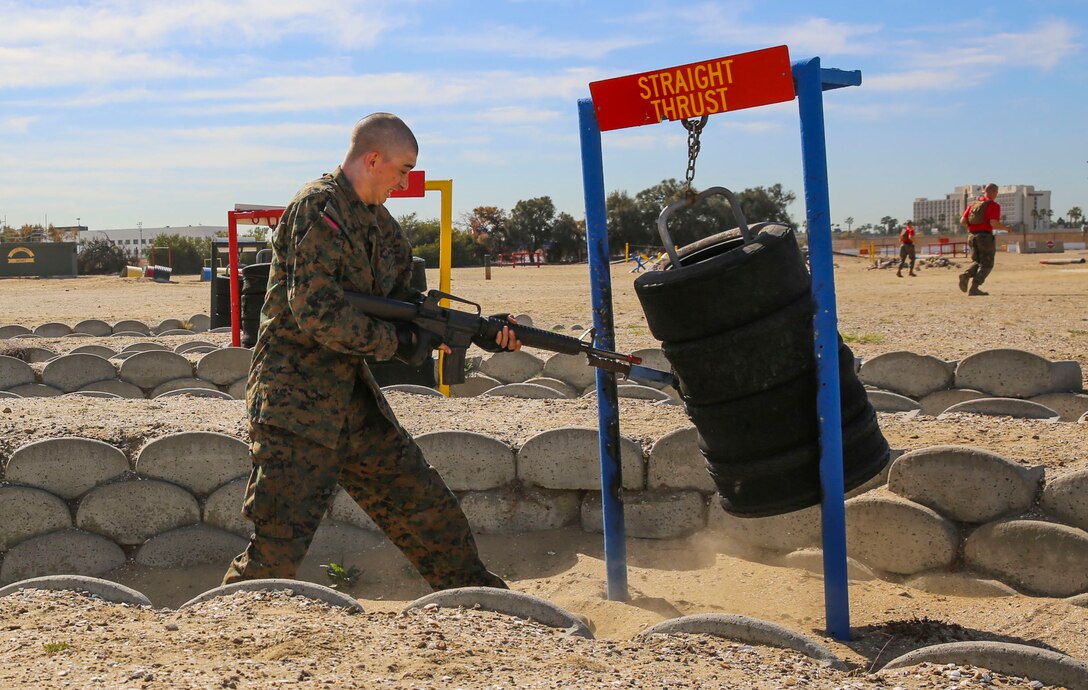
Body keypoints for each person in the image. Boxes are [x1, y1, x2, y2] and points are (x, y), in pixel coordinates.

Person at [223, 113, 519, 590]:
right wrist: (397, 343)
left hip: (352, 403)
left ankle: (482, 607)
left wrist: (477, 330)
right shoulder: (317, 209)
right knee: (275, 553)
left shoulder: (381, 226)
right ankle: (210, 639)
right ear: (373, 157)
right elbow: (315, 311)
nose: (403, 182)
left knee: (429, 515)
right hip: (294, 404)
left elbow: (407, 302)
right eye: (401, 170)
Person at [958, 183, 1012, 296]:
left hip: (972, 236)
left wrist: (972, 228)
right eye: (996, 192)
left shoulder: (973, 205)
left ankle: (966, 275)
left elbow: (962, 221)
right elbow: (994, 223)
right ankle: (974, 287)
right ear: (993, 192)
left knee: (977, 261)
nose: (996, 195)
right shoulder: (993, 205)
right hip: (984, 237)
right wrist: (1005, 228)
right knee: (987, 264)